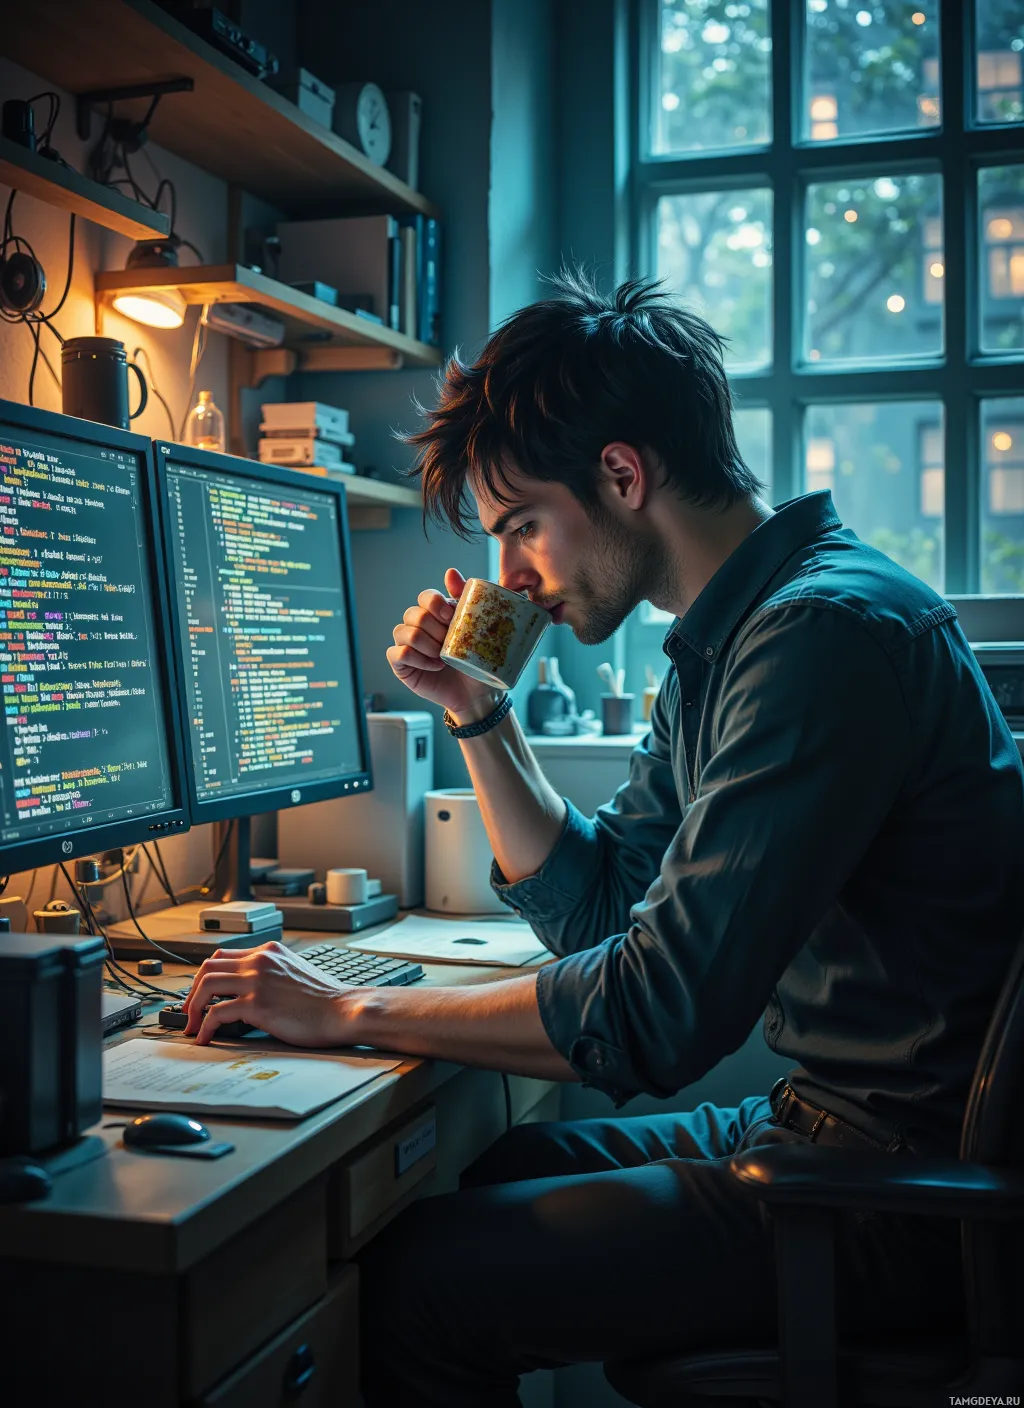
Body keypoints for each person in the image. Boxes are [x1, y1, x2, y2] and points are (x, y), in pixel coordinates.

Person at [181, 273, 1024, 1408]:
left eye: (520, 526)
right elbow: (603, 910)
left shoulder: (819, 639)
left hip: (898, 1194)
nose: (508, 576)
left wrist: (348, 1007)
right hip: (826, 1129)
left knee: (420, 1281)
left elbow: (655, 1013)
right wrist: (478, 710)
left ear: (622, 476)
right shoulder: (729, 639)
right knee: (472, 1178)